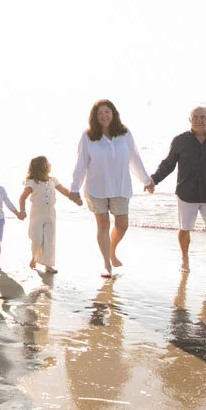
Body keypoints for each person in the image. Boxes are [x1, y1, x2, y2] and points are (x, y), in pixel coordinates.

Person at [147, 106, 206, 282]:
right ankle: (185, 259)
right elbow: (168, 164)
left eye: (203, 117)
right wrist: (154, 180)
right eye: (195, 117)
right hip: (187, 193)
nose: (199, 120)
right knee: (185, 230)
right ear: (190, 120)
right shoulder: (180, 141)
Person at [68, 100, 152, 278]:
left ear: (113, 113)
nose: (104, 116)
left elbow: (134, 159)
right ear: (94, 117)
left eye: (107, 112)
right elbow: (81, 163)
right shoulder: (88, 136)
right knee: (103, 224)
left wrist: (146, 180)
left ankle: (111, 250)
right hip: (96, 188)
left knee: (122, 224)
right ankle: (107, 263)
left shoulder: (124, 133)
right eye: (100, 113)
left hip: (120, 186)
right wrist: (74, 188)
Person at [19, 156, 75, 274]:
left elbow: (65, 191)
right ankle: (34, 257)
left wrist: (74, 197)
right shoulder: (32, 183)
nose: (50, 164)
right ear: (42, 167)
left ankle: (48, 265)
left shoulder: (53, 180)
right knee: (37, 238)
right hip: (36, 215)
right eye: (48, 163)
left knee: (50, 240)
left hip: (50, 215)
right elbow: (22, 197)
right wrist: (22, 211)